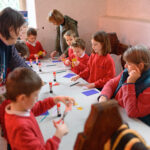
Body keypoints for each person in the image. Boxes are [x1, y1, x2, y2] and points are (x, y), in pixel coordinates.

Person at [5, 67, 75, 150]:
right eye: (35, 95)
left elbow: (37, 108)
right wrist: (58, 135)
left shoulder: (18, 107)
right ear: (22, 98)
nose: (37, 98)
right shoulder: (21, 128)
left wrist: (57, 99)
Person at [98, 45, 150, 126]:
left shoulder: (148, 87)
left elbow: (132, 112)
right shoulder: (127, 72)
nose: (125, 66)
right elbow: (111, 83)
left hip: (136, 124)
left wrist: (130, 83)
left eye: (128, 64)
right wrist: (103, 96)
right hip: (118, 112)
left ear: (140, 66)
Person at [0, 7, 30, 85]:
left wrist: (34, 78)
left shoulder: (9, 44)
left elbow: (19, 63)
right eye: (19, 30)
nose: (20, 35)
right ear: (11, 29)